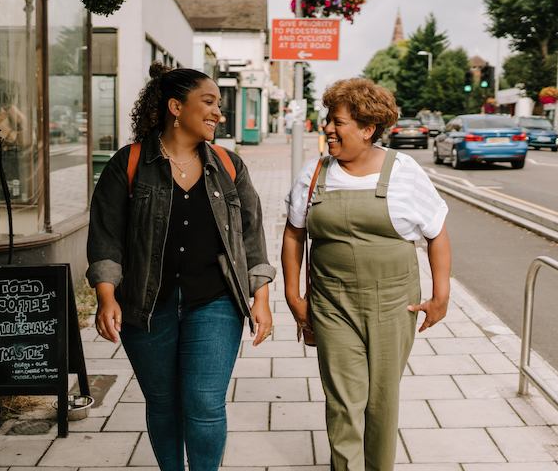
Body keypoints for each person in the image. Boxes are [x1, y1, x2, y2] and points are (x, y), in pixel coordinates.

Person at [87, 63, 275, 471]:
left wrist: (261, 296)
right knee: (163, 403)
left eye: (219, 107)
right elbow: (105, 236)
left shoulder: (228, 165)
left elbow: (251, 235)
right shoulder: (130, 163)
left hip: (216, 303)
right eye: (208, 103)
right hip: (146, 306)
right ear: (176, 107)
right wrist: (105, 296)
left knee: (205, 403)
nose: (218, 115)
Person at [281, 78, 452, 471]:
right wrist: (294, 297)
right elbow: (294, 234)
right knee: (343, 403)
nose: (327, 128)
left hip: (395, 305)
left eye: (337, 122)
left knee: (381, 401)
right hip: (332, 305)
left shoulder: (404, 172)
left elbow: (437, 232)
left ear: (367, 129)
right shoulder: (314, 173)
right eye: (329, 120)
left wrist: (440, 295)